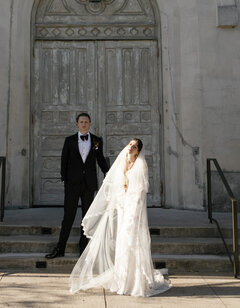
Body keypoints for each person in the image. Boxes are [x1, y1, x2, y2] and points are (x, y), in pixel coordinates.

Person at [70, 138, 172, 297]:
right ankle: (123, 280)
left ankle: (135, 282)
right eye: (130, 144)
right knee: (123, 243)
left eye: (135, 146)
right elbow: (116, 186)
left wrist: (134, 212)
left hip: (134, 209)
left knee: (132, 242)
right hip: (124, 208)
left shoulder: (141, 165)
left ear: (139, 151)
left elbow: (140, 191)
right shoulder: (124, 162)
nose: (131, 147)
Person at [45, 113, 109, 259]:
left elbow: (100, 160)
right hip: (72, 184)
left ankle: (83, 250)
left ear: (90, 123)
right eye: (81, 122)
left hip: (89, 184)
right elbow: (64, 160)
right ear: (77, 124)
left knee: (86, 218)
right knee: (68, 217)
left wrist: (109, 173)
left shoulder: (97, 141)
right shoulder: (69, 140)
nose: (84, 124)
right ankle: (60, 249)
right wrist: (64, 179)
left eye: (86, 122)